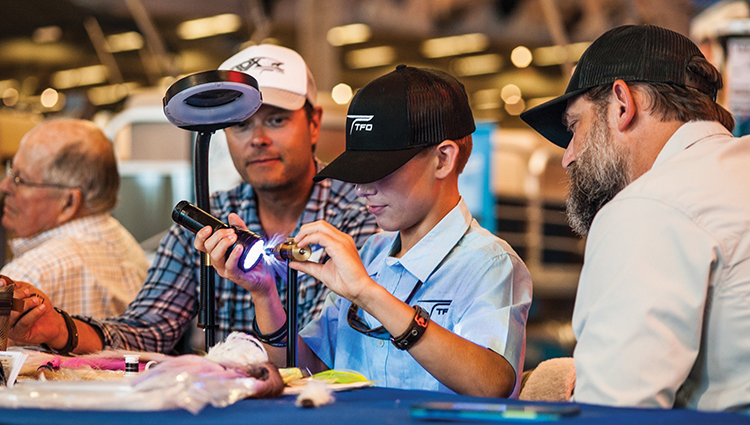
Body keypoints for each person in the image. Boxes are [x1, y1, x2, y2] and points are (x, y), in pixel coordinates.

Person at [6, 44, 378, 355]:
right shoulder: (206, 221)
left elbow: (327, 354)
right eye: (241, 124)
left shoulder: (362, 214)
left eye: (277, 120)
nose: (258, 138)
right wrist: (58, 329)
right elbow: (146, 330)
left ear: (314, 124)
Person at [198, 65, 532, 397]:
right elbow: (308, 367)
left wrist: (368, 294)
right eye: (358, 172)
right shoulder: (372, 253)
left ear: (443, 159)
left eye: (379, 170)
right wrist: (264, 293)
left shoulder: (489, 264)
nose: (361, 189)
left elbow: (492, 384)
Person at [520, 24, 750, 411]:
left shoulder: (647, 206)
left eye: (575, 127)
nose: (568, 156)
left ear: (622, 104)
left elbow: (614, 414)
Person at [0, 119, 148, 318]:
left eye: (20, 179)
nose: (4, 186)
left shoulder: (29, 274)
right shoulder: (126, 245)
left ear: (69, 202)